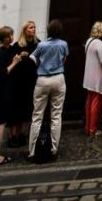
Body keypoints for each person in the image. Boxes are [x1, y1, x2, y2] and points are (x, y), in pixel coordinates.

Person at [27, 19, 69, 163]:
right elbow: (64, 59)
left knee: (37, 115)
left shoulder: (41, 44)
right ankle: (54, 149)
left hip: (42, 79)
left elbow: (32, 57)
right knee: (56, 115)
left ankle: (32, 151)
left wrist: (40, 63)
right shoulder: (63, 44)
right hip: (58, 78)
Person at [0, 25, 26, 165]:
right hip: (2, 92)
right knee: (0, 124)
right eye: (11, 35)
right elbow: (4, 72)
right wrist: (14, 63)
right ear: (6, 38)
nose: (12, 37)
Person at [7, 20, 39, 148]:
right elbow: (11, 61)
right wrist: (20, 56)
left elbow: (40, 59)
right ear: (25, 30)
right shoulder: (17, 45)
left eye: (34, 27)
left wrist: (31, 57)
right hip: (18, 81)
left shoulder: (38, 44)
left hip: (31, 80)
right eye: (31, 28)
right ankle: (12, 136)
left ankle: (22, 134)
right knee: (16, 109)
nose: (33, 29)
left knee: (28, 107)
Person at [83, 21, 102, 136]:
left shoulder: (89, 41)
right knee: (96, 103)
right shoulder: (98, 43)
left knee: (89, 102)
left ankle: (88, 127)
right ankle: (93, 129)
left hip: (89, 76)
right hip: (97, 76)